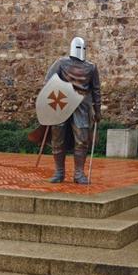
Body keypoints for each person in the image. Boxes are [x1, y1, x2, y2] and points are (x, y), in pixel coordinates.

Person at [44, 37, 101, 184]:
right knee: (58, 139)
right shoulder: (61, 63)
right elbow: (48, 82)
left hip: (82, 106)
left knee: (82, 139)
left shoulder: (91, 67)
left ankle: (79, 174)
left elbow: (96, 90)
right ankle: (59, 172)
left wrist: (97, 110)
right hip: (62, 104)